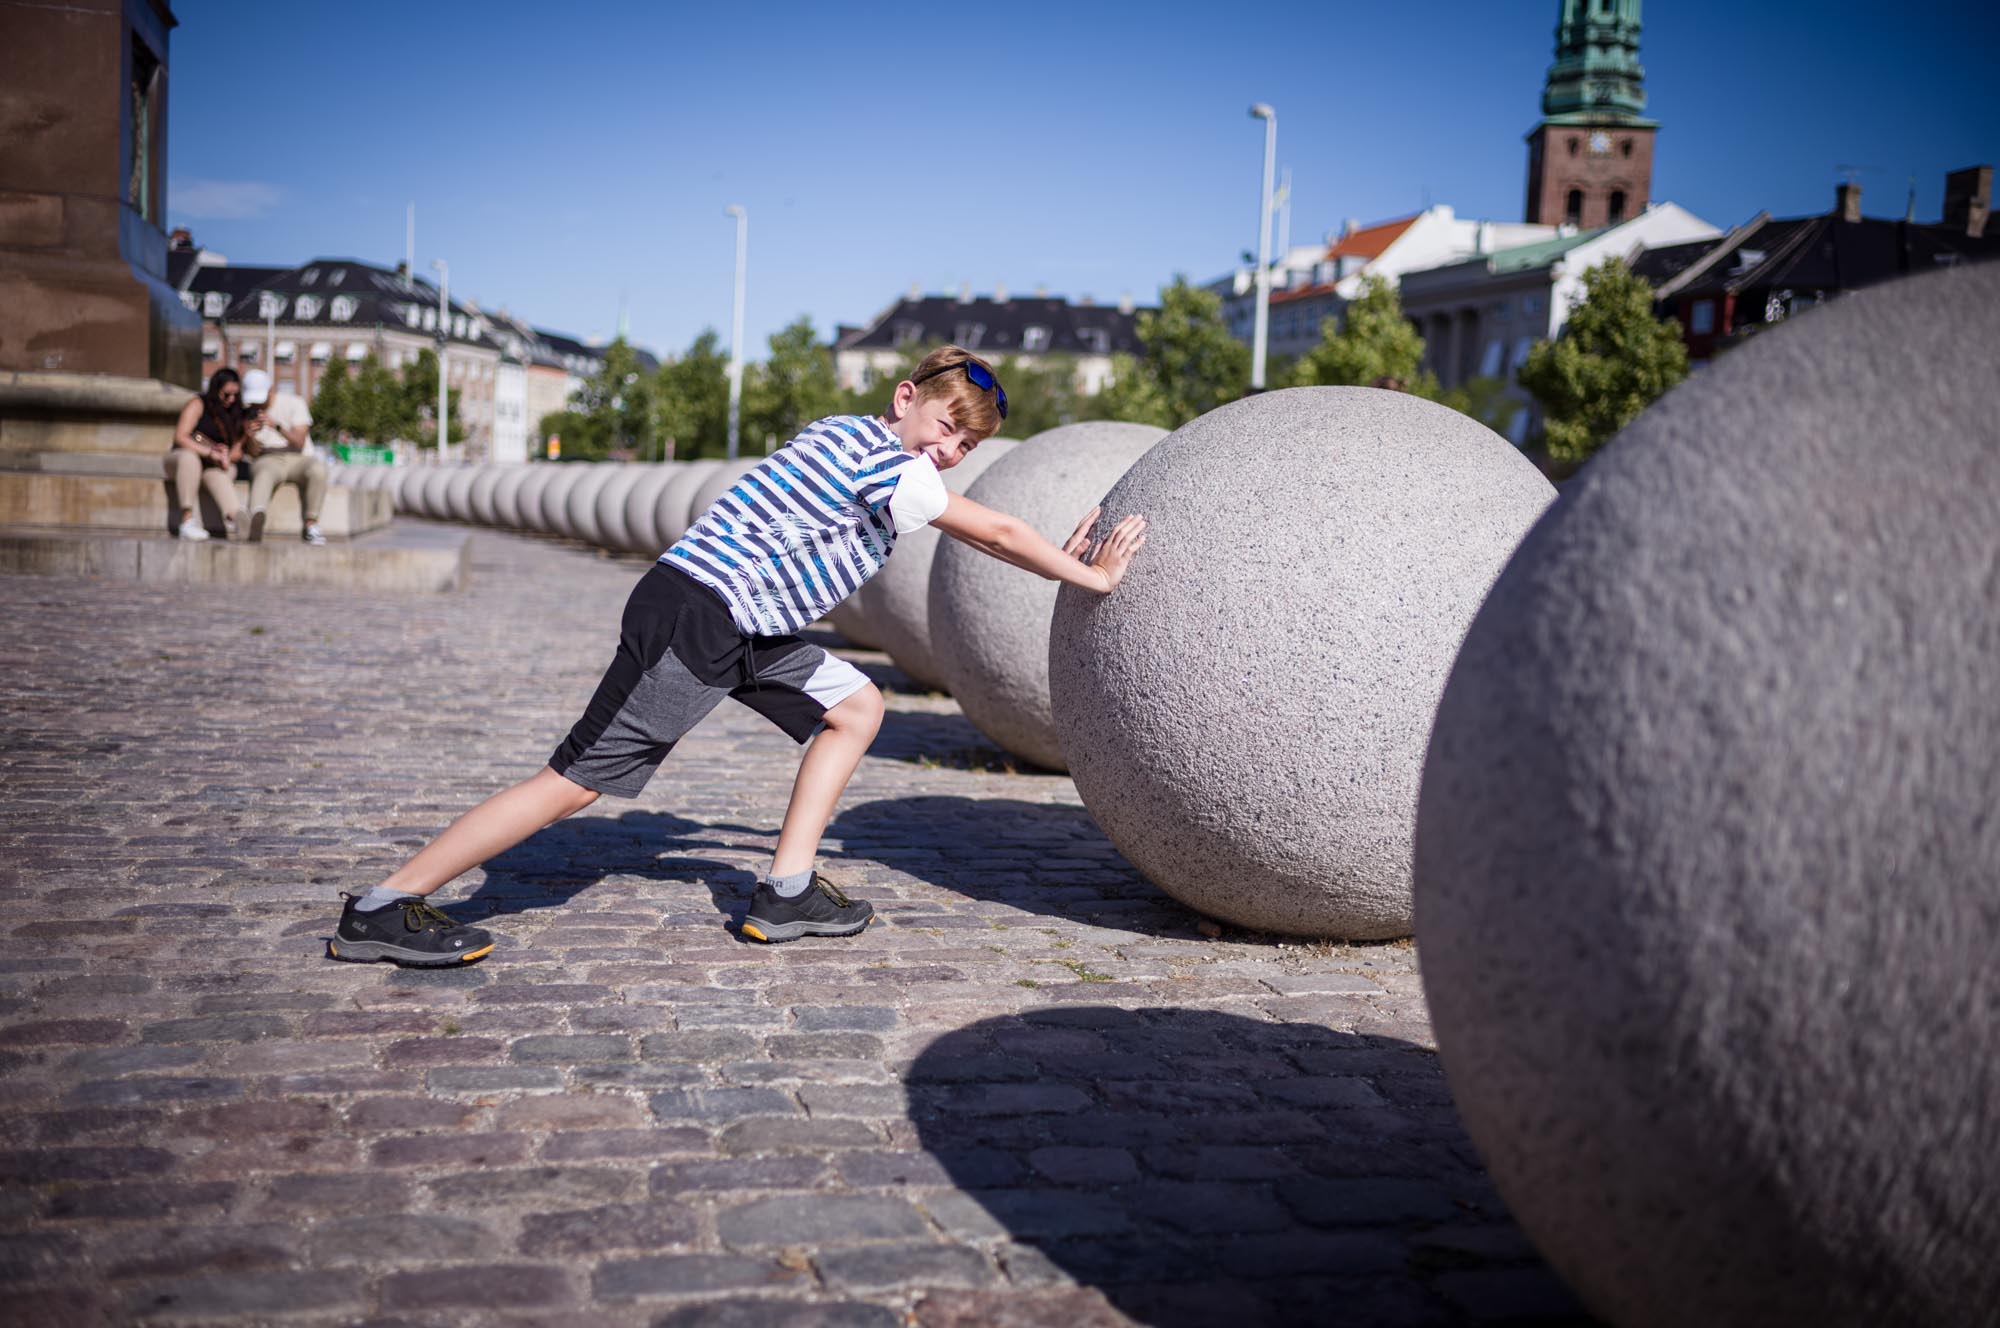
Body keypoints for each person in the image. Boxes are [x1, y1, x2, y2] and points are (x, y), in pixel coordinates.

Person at [326, 345, 1147, 966]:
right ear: (907, 399)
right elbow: (994, 530)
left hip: (747, 624)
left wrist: (1057, 563)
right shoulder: (890, 467)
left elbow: (983, 534)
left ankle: (786, 892)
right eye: (945, 427)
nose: (948, 449)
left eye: (966, 445)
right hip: (698, 616)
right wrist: (1090, 576)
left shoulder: (848, 439)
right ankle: (384, 906)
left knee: (855, 707)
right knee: (574, 783)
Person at [240, 368, 329, 544]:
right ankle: (256, 518)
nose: (256, 405)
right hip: (267, 458)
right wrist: (248, 435)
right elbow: (253, 452)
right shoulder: (247, 412)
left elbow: (299, 442)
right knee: (263, 473)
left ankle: (311, 524)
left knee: (318, 470)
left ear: (270, 390)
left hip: (298, 457)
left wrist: (276, 426)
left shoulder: (294, 402)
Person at [166, 368, 247, 541]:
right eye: (227, 395)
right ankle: (187, 521)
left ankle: (238, 519)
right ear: (216, 389)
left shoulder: (235, 412)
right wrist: (210, 452)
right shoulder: (198, 403)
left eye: (235, 395)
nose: (231, 399)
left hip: (211, 467)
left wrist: (227, 454)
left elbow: (236, 454)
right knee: (190, 459)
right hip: (180, 459)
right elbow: (180, 437)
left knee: (219, 474)